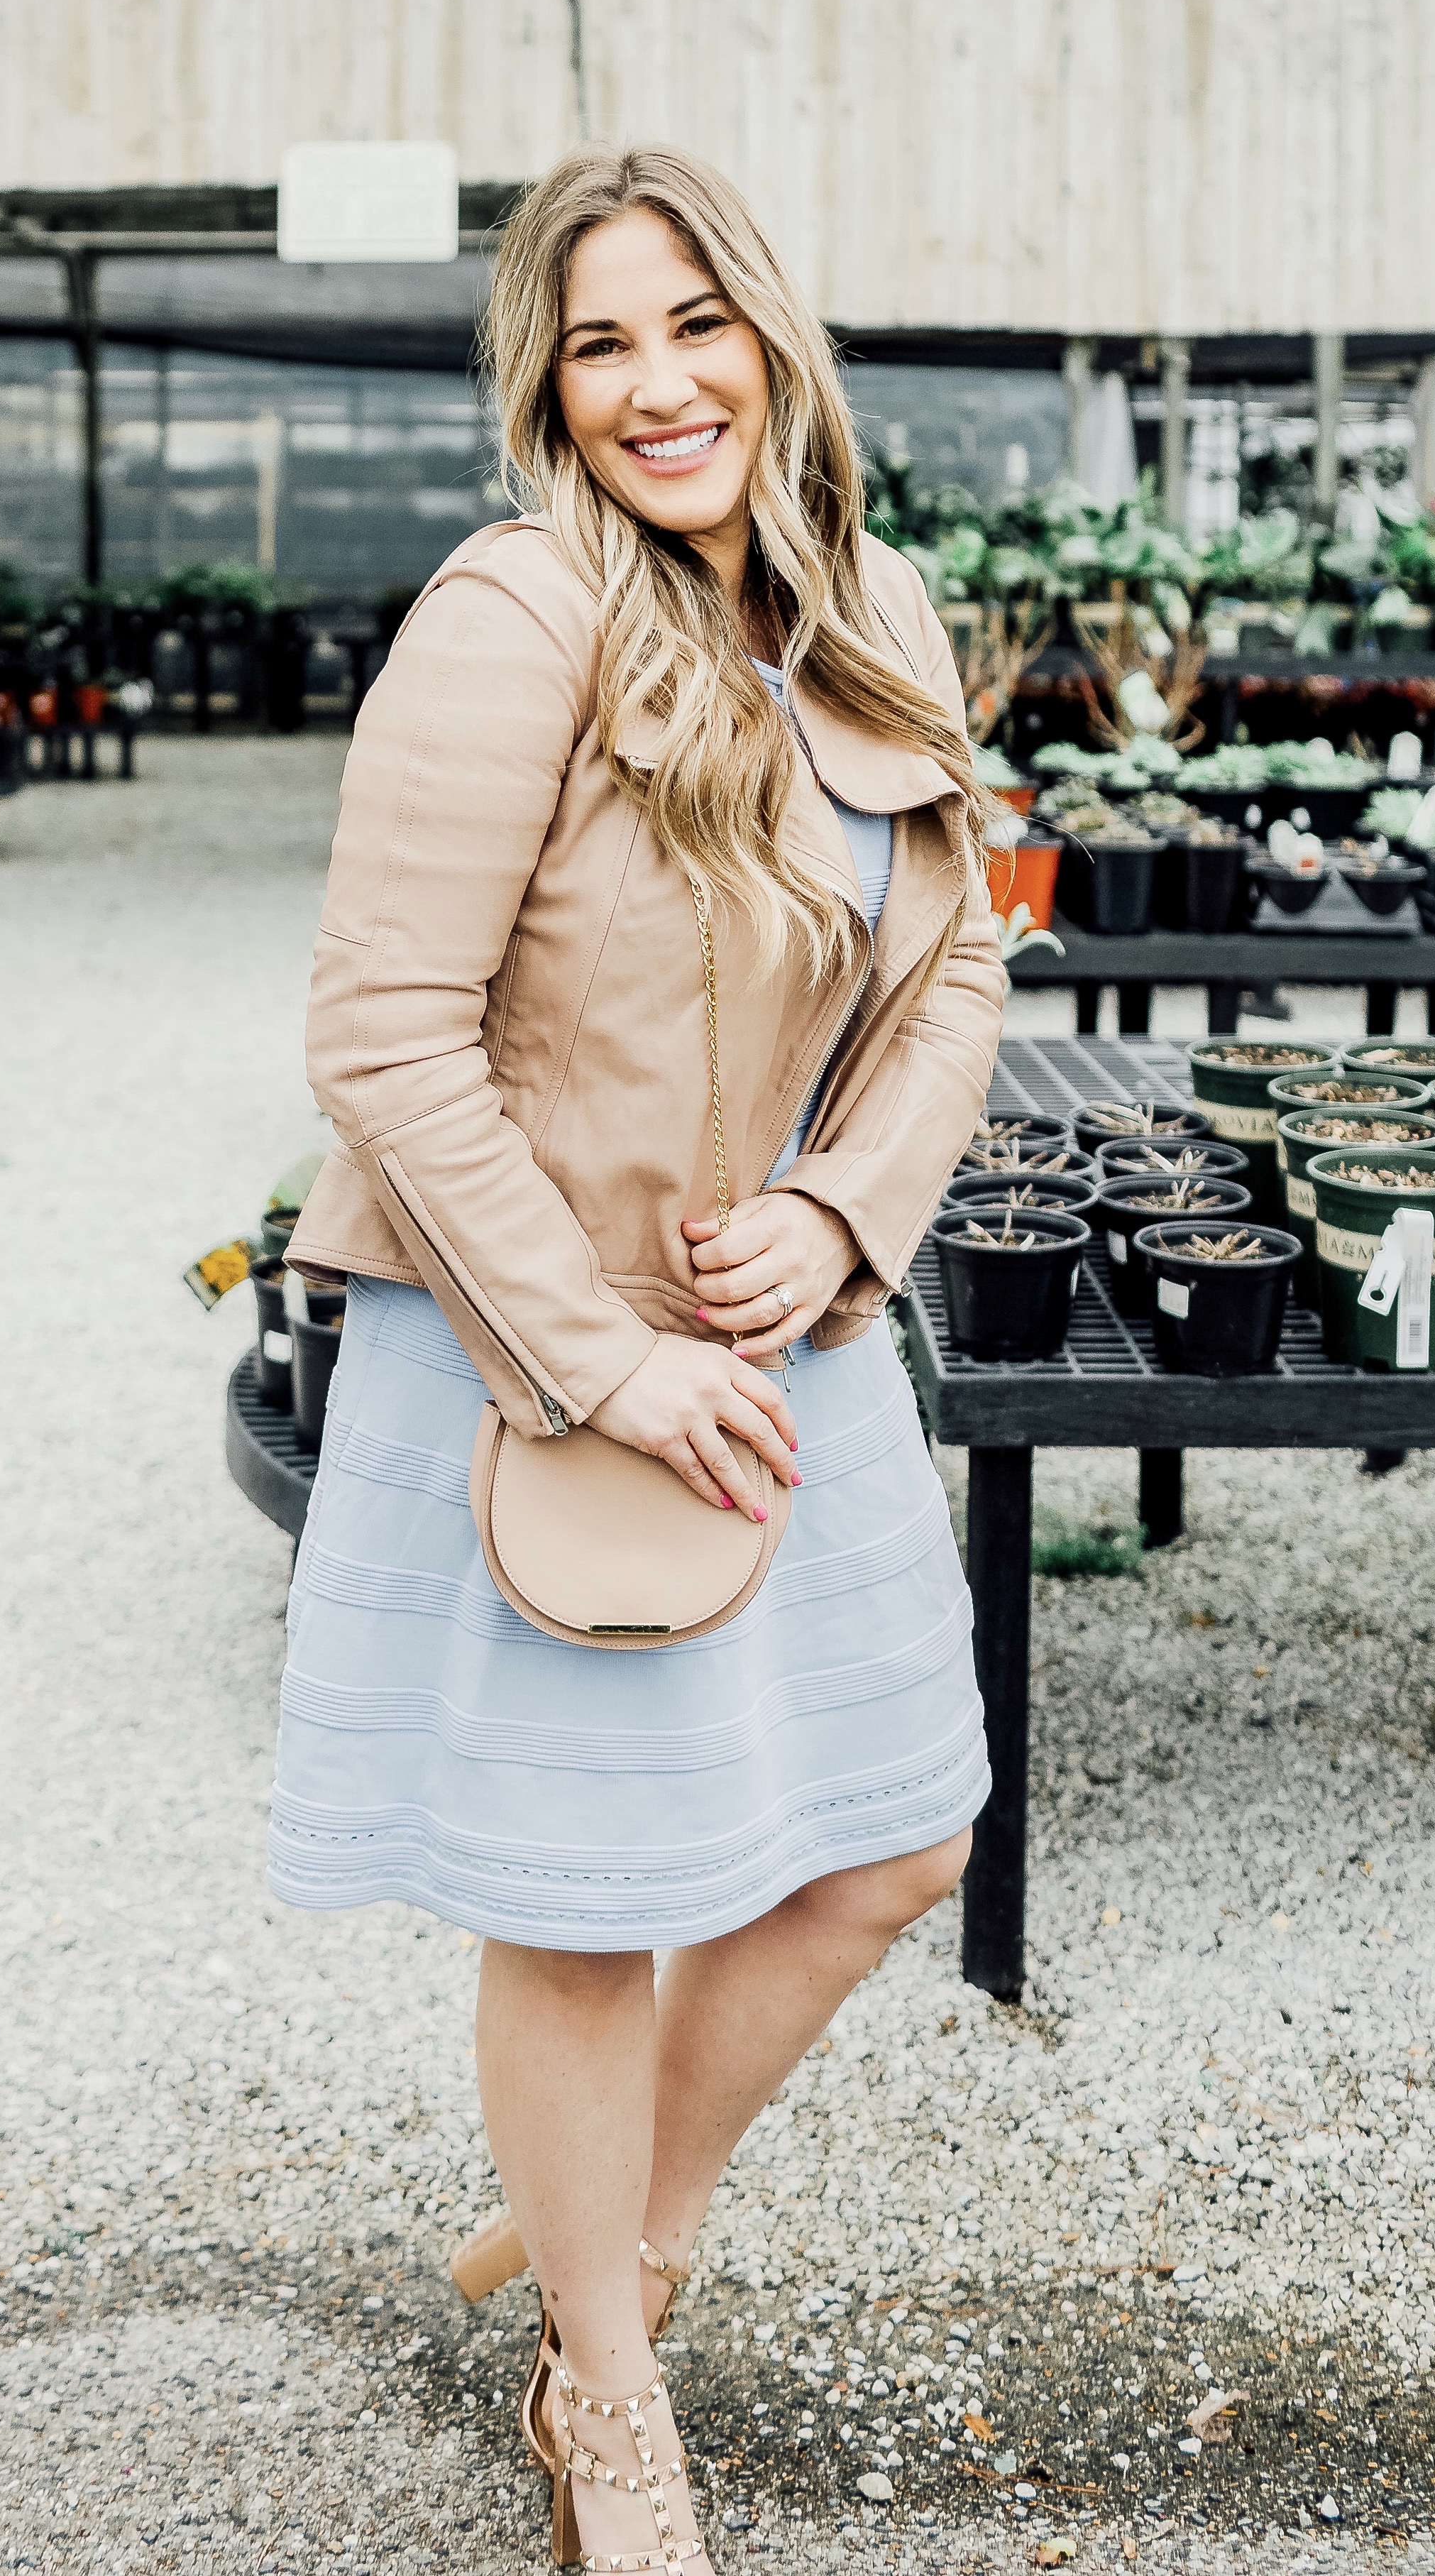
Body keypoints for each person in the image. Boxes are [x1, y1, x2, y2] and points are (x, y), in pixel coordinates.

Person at [270, 143, 1004, 2571]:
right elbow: (383, 1037)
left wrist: (828, 1212)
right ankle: (607, 2405)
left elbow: (958, 968)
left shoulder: (870, 606)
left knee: (894, 1838)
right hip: (540, 1356)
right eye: (600, 342)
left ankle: (615, 2243)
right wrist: (597, 1362)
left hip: (775, 1330)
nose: (658, 381)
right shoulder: (515, 617)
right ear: (546, 386)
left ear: (770, 335)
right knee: (585, 1893)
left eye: (694, 321)